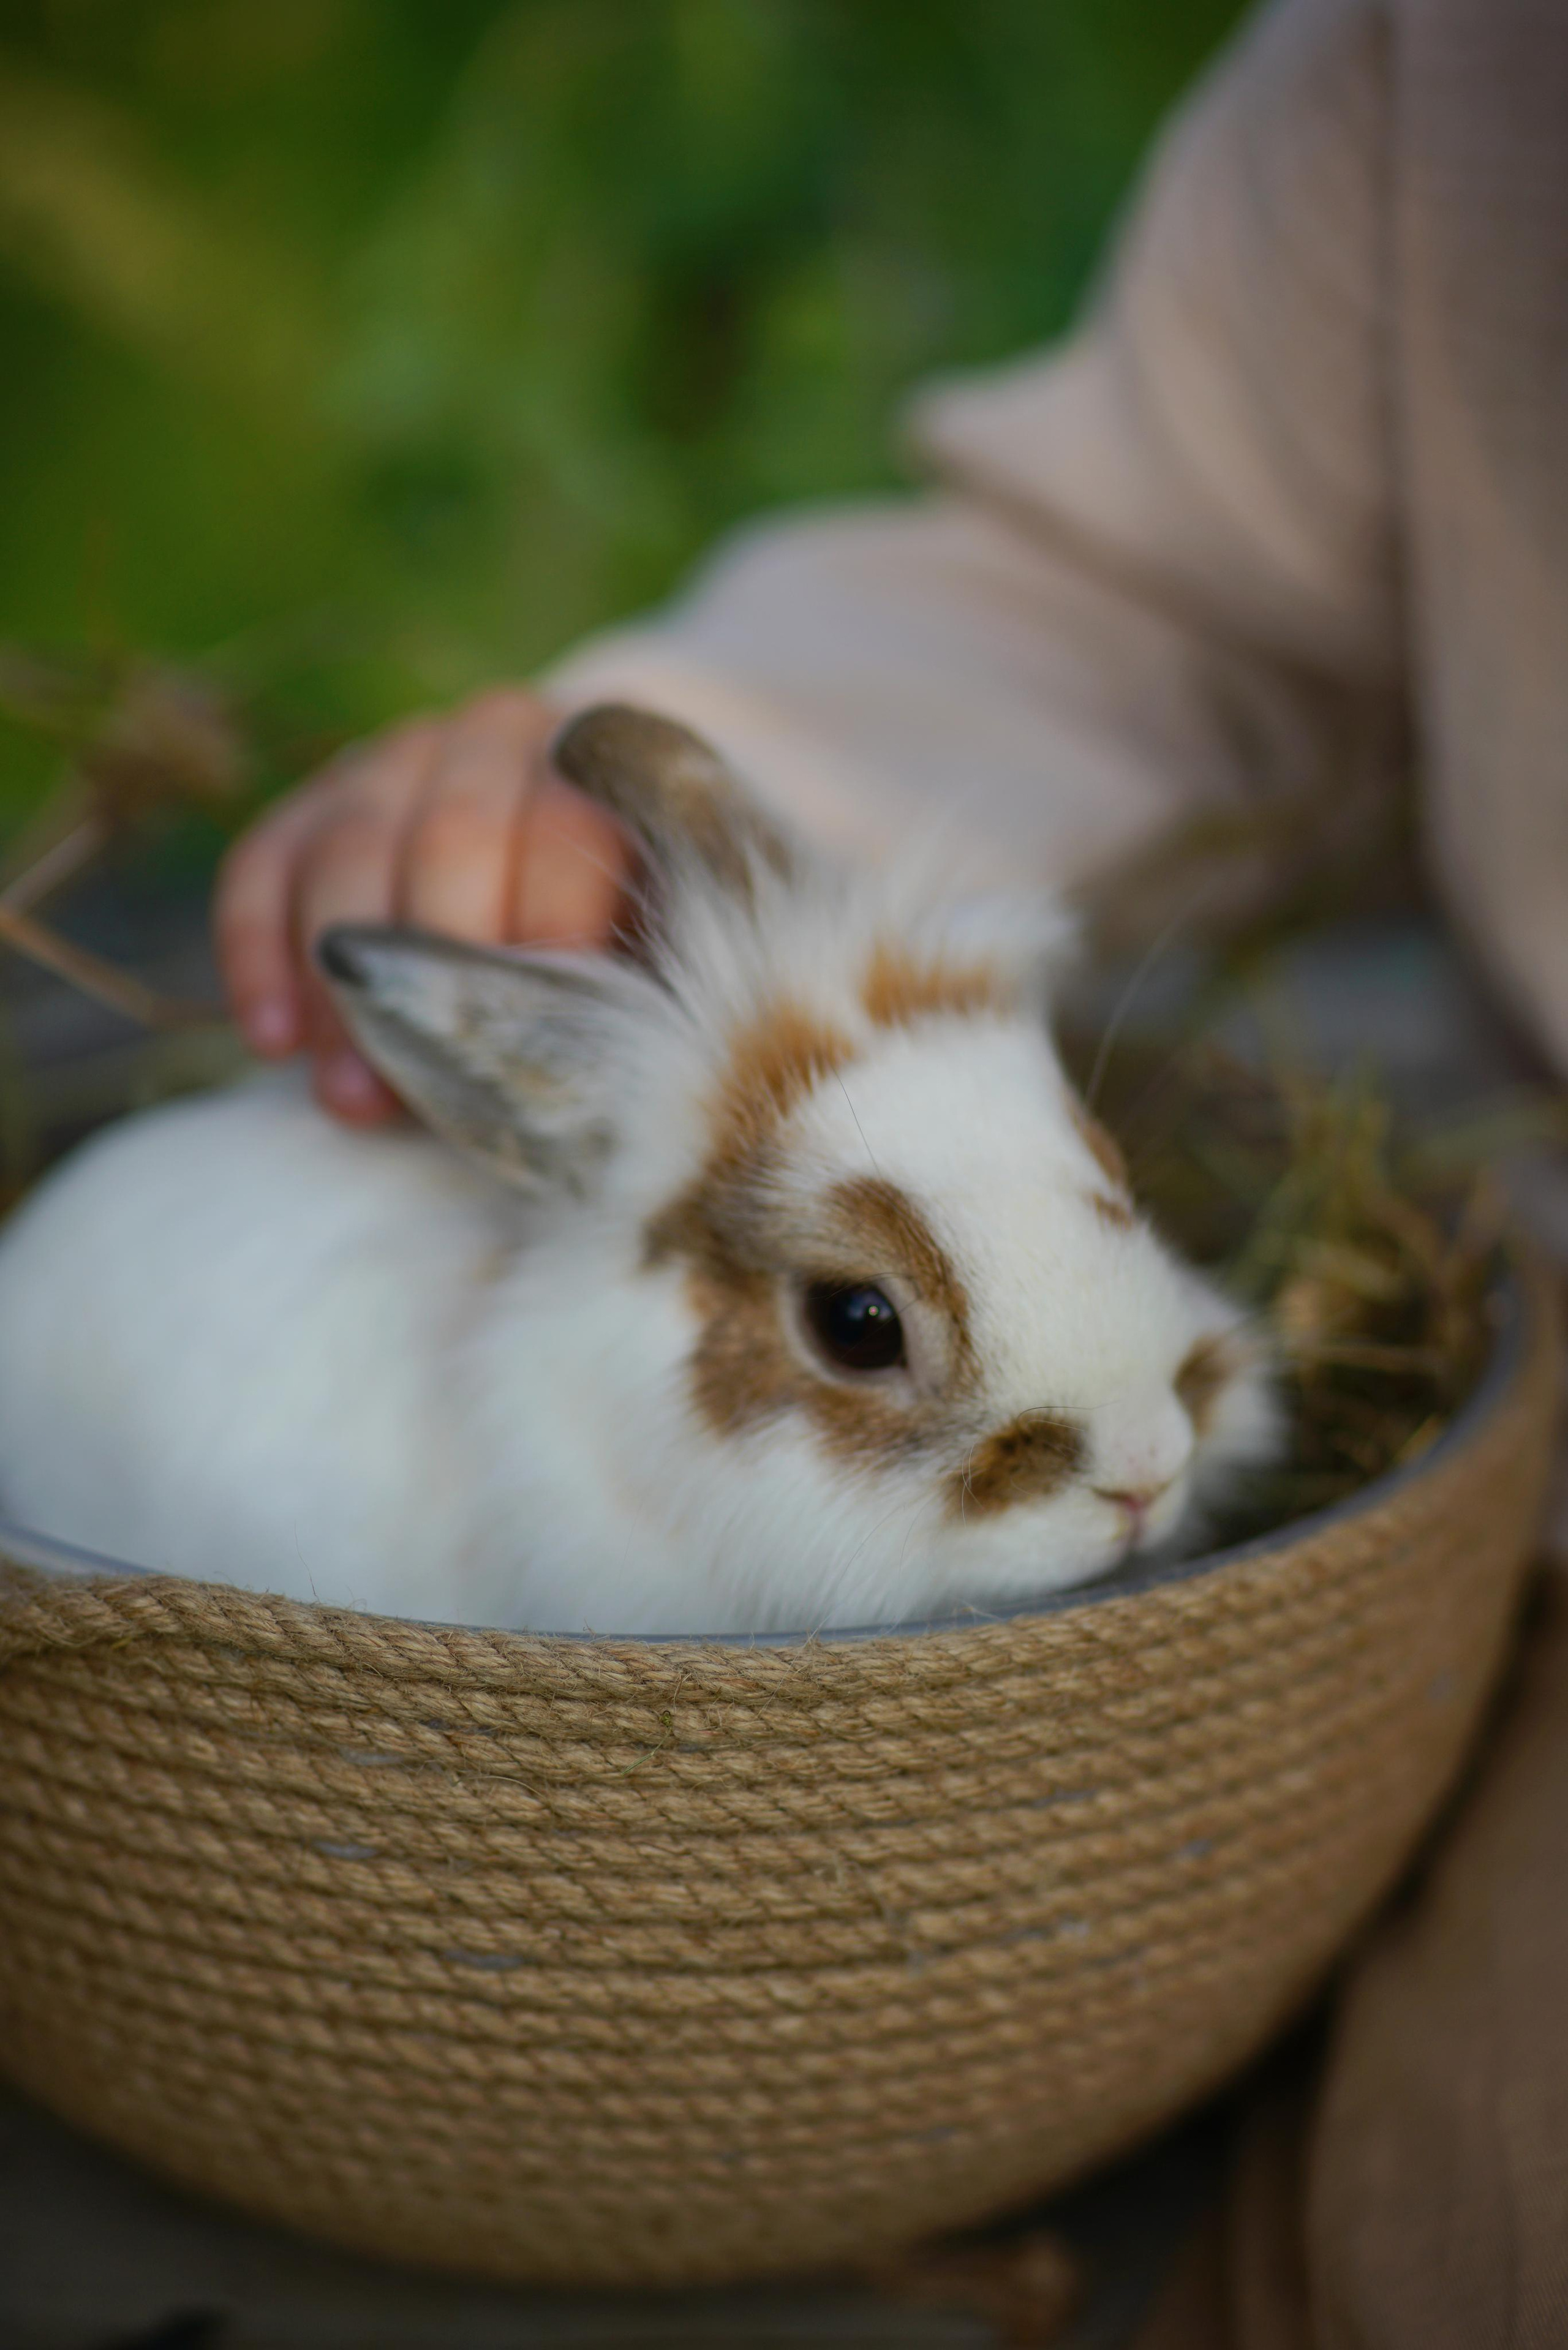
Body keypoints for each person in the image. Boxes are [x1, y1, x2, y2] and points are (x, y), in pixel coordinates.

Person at [214, 0, 1568, 2338]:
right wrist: (639, 808)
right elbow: (1138, 603)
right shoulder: (1451, 77)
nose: (1141, 1466)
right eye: (859, 1331)